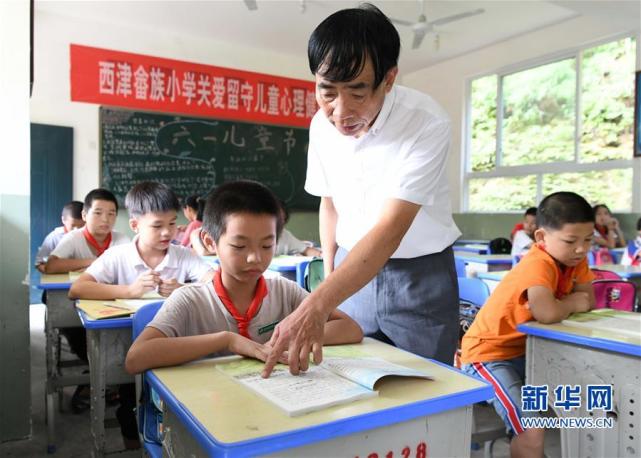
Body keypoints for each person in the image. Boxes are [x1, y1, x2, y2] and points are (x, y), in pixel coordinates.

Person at [263, 4, 461, 377]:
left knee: (425, 384)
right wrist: (331, 277)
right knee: (346, 381)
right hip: (349, 271)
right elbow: (330, 203)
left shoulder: (426, 122)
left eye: (357, 93)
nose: (340, 112)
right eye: (327, 92)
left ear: (389, 79)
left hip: (419, 277)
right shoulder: (321, 127)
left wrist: (315, 306)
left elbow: (390, 229)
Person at [125, 180, 362, 374]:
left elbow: (350, 328)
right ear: (210, 242)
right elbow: (136, 358)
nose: (254, 258)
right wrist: (227, 341)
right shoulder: (190, 300)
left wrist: (291, 338)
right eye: (239, 246)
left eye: (267, 245)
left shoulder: (285, 291)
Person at [460, 191, 596, 458]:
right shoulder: (538, 263)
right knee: (531, 430)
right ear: (541, 237)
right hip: (488, 356)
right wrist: (570, 302)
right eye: (571, 241)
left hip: (531, 355)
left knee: (590, 407)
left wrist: (564, 304)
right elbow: (547, 312)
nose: (581, 249)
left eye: (588, 240)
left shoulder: (575, 260)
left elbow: (588, 300)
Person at [70, 182, 213, 300]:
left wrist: (183, 290)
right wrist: (130, 291)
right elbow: (77, 288)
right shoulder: (117, 256)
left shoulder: (183, 255)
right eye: (157, 226)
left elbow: (216, 283)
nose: (167, 232)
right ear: (135, 225)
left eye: (172, 223)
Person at [45, 188, 130, 273]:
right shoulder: (73, 237)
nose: (105, 219)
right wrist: (95, 262)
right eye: (98, 213)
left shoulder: (122, 240)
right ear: (84, 215)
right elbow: (50, 266)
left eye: (111, 214)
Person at [35, 200, 84, 272]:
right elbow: (39, 263)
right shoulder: (53, 238)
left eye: (82, 225)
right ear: (63, 220)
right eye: (73, 225)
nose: (76, 229)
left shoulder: (89, 237)